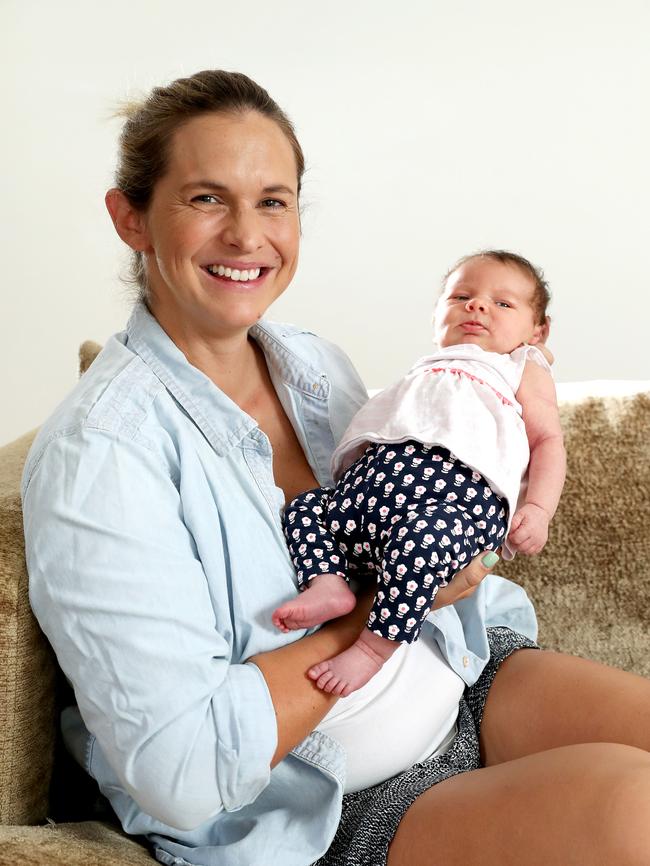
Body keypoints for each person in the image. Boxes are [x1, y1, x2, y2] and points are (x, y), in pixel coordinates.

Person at [21, 69, 650, 866]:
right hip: (323, 796)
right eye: (207, 198)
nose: (248, 237)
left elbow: (427, 506)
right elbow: (177, 769)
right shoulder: (101, 456)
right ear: (132, 218)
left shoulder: (314, 366)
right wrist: (383, 605)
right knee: (634, 811)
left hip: (456, 675)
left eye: (273, 201)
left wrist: (478, 535)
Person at [272, 250, 566, 696]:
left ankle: (373, 648)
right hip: (372, 490)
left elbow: (547, 441)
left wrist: (540, 509)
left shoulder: (518, 366)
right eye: (461, 296)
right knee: (308, 509)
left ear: (537, 330)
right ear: (435, 316)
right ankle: (328, 582)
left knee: (420, 544)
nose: (478, 306)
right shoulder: (427, 367)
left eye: (503, 304)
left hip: (456, 505)